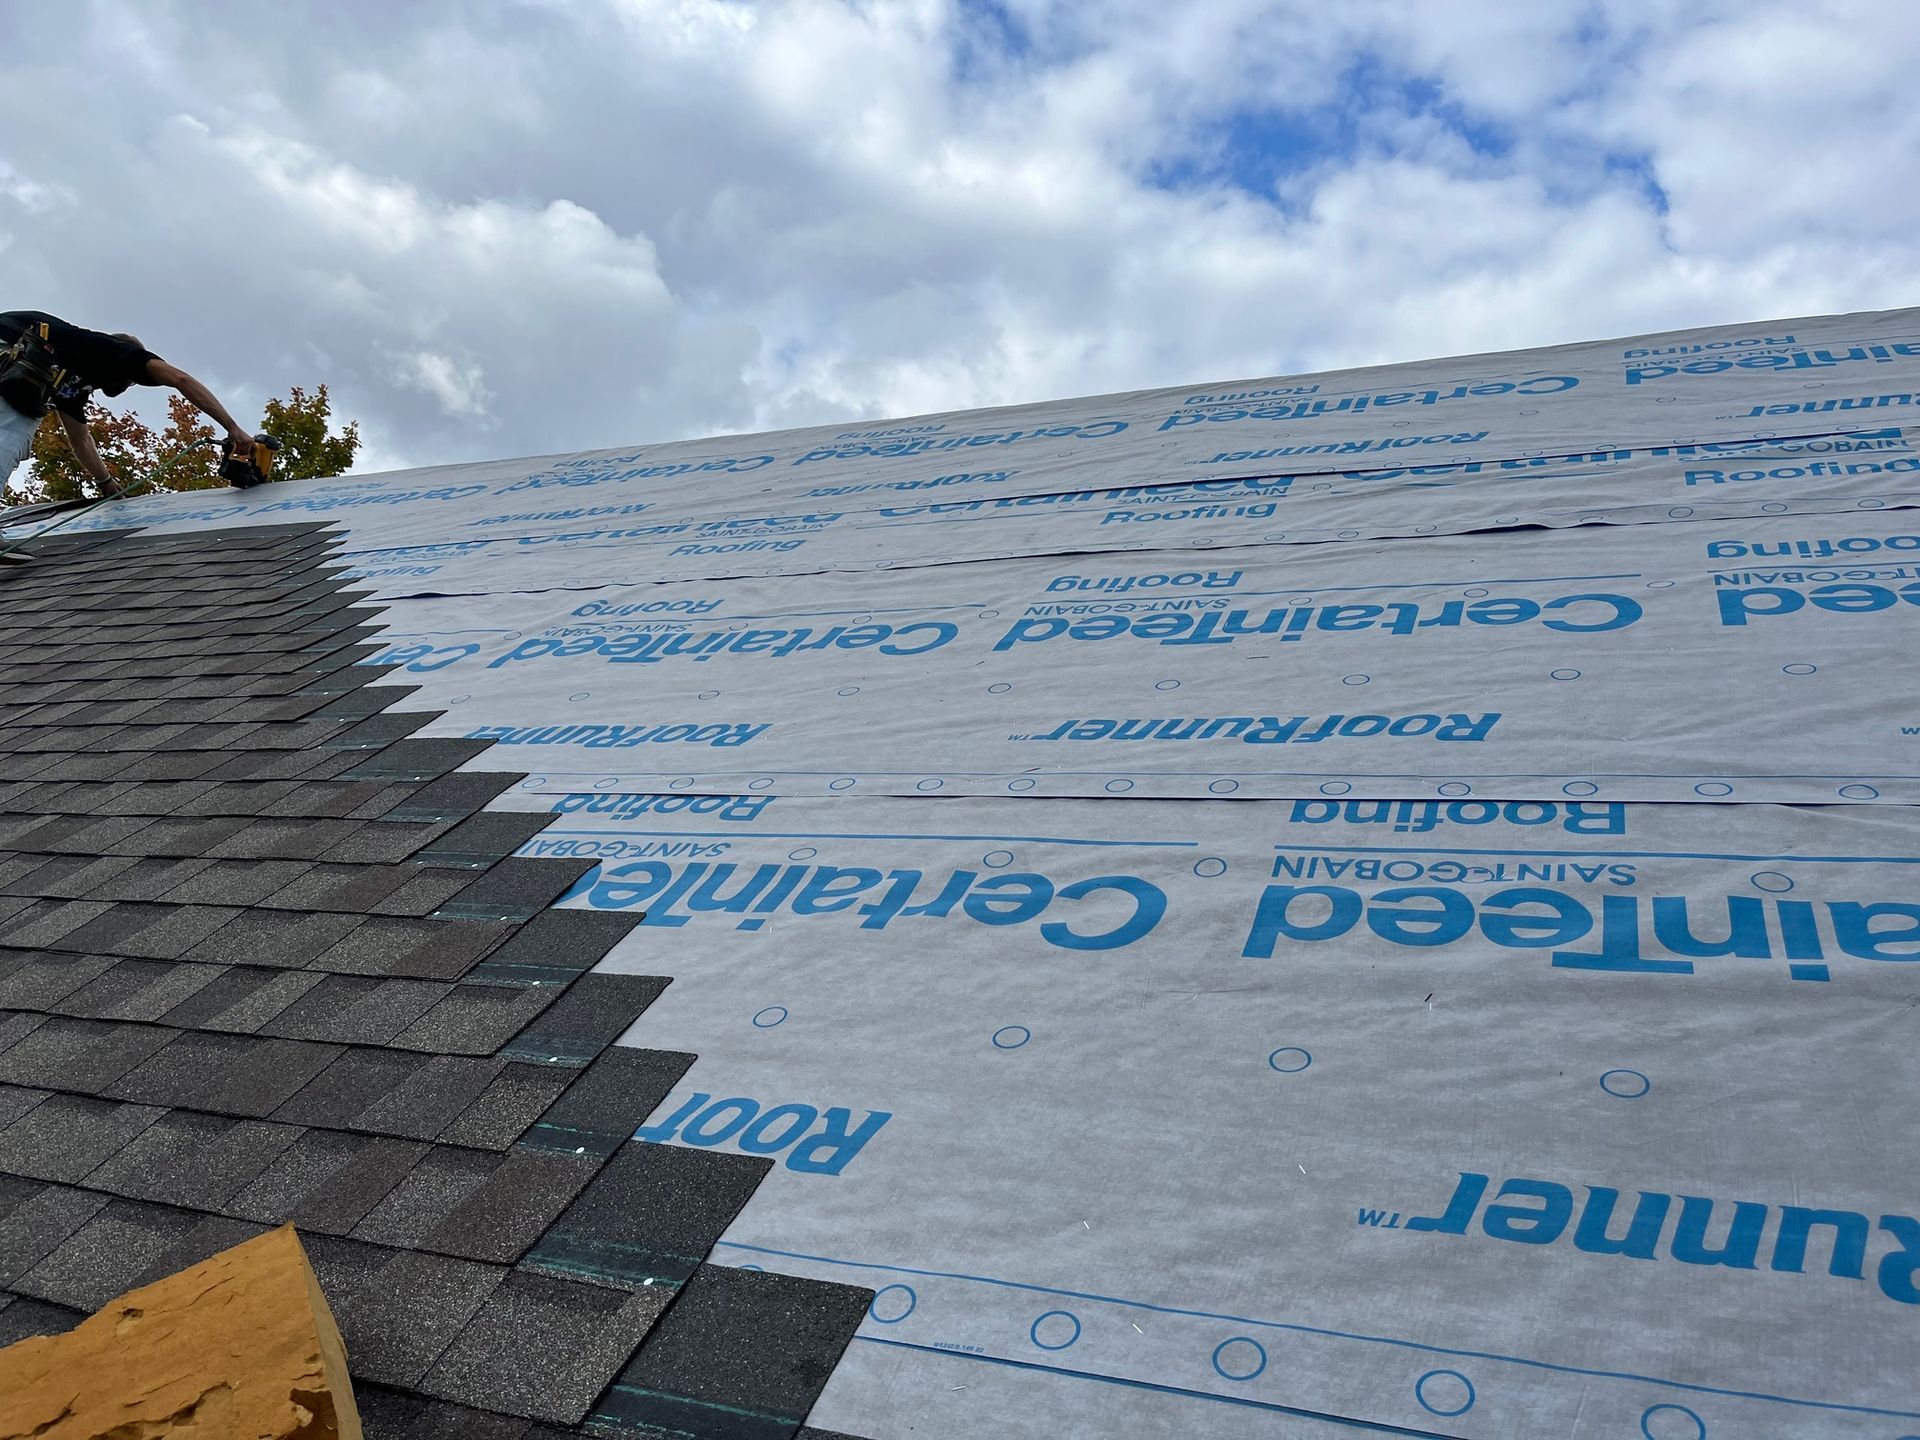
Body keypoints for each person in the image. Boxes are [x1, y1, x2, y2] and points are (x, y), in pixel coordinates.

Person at [0, 310, 253, 499]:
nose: (126, 387)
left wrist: (106, 483)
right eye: (131, 382)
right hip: (8, 348)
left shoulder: (73, 385)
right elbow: (180, 379)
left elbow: (81, 439)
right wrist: (233, 428)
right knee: (14, 430)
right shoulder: (116, 352)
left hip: (11, 354)